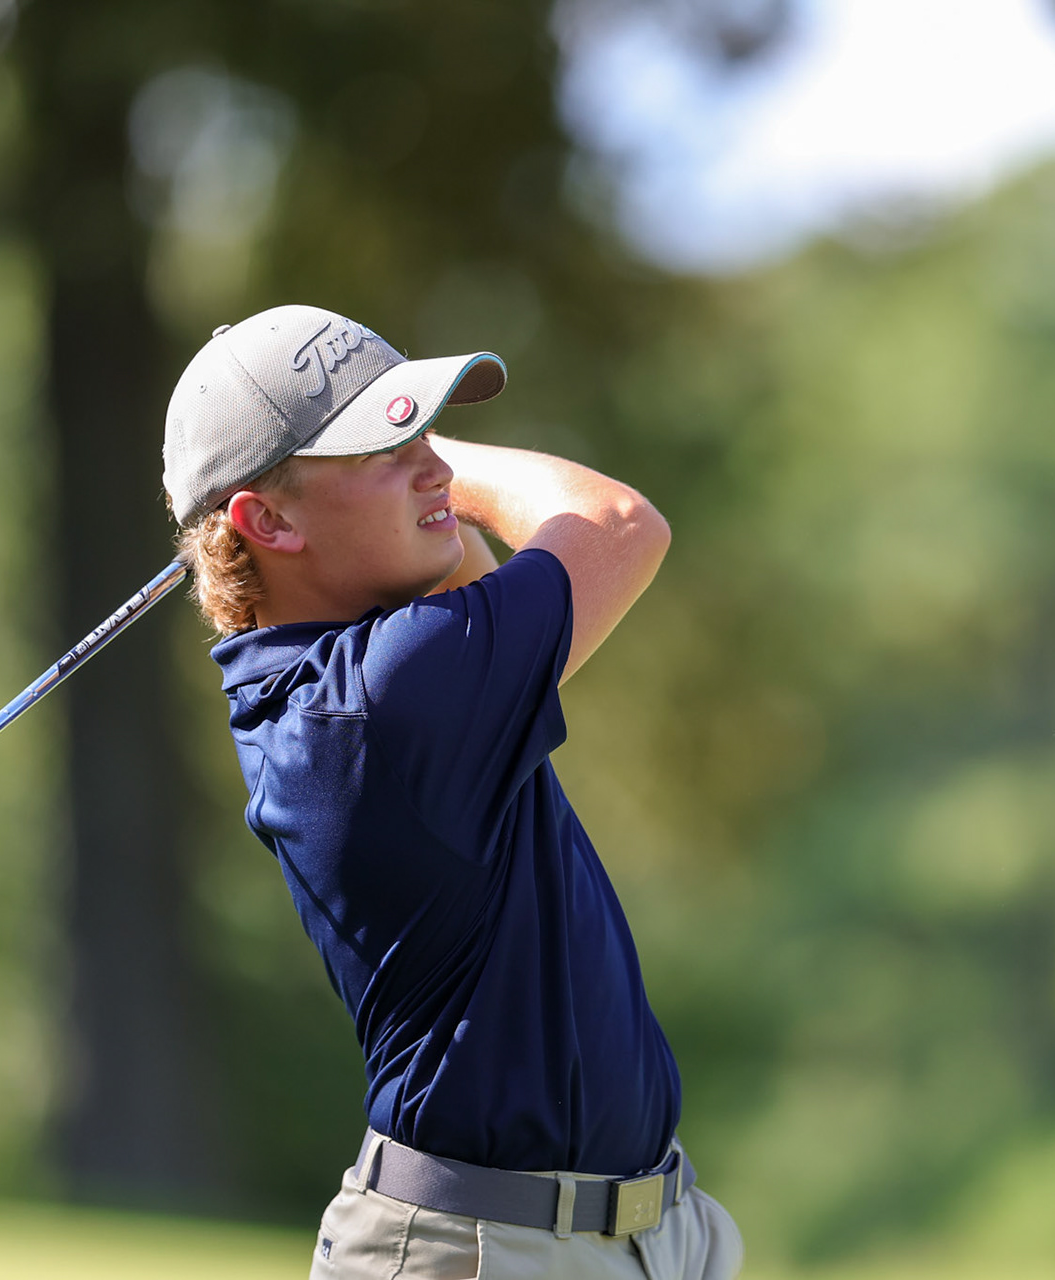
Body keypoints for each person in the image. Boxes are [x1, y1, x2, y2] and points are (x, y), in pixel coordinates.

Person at [162, 304, 743, 1280]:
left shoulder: (332, 676)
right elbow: (615, 522)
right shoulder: (376, 703)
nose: (433, 467)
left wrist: (401, 460)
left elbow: (457, 573)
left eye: (427, 433)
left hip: (634, 1236)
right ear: (266, 519)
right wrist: (452, 472)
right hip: (490, 1252)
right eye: (384, 446)